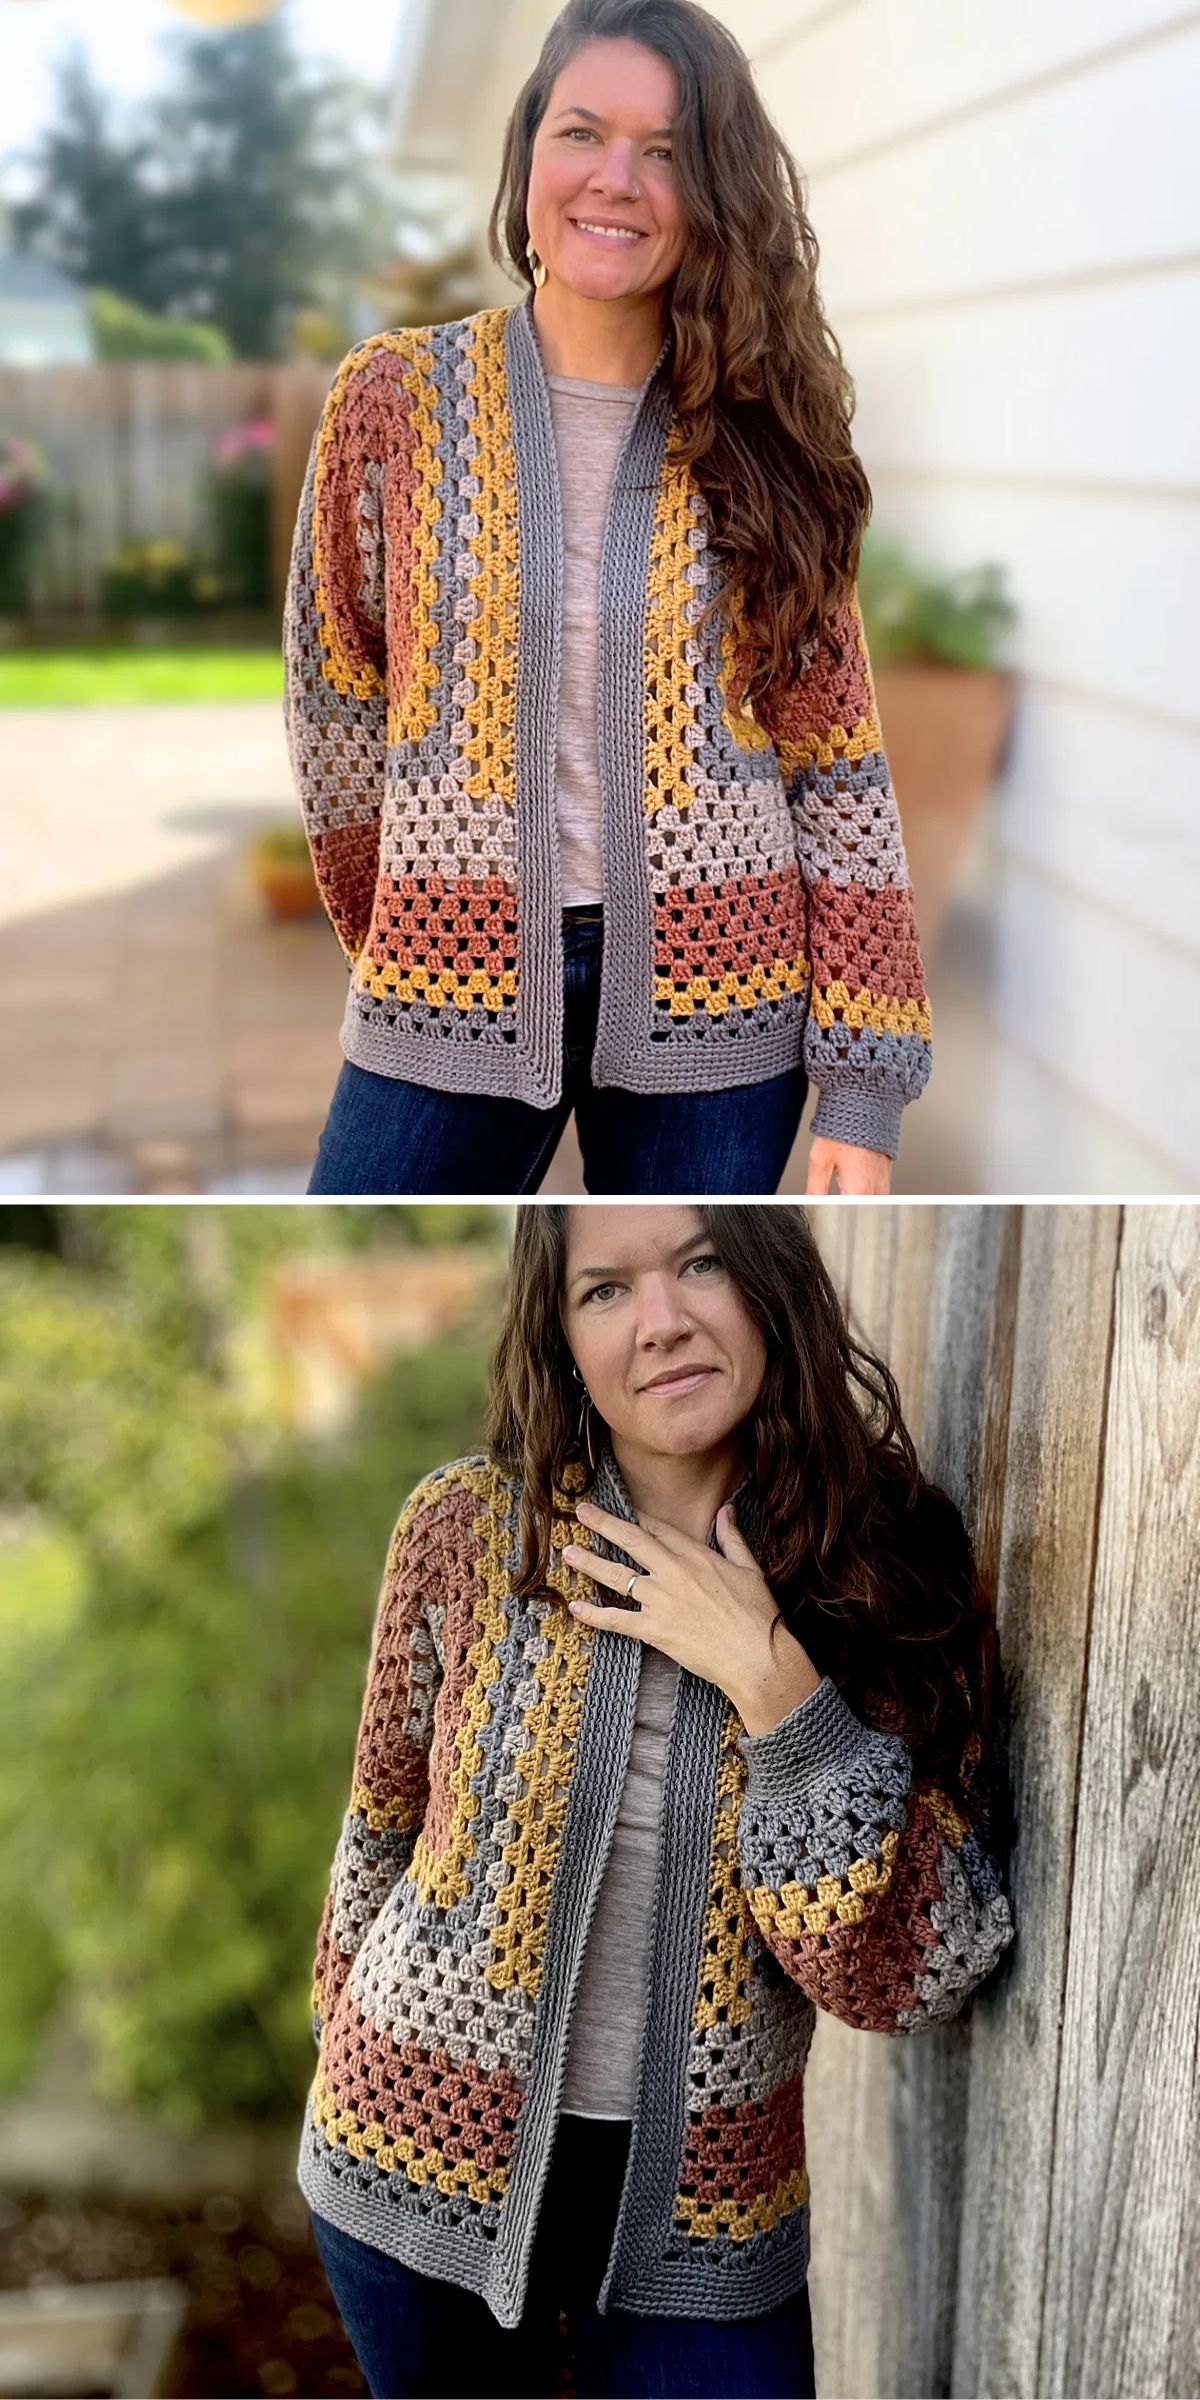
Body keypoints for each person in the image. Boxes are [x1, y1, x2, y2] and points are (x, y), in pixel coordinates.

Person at [300, 1204, 1016, 2399]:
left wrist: (773, 1680)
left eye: (701, 1266)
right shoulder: (468, 1529)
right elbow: (377, 1826)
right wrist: (347, 2065)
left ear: (768, 1282)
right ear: (562, 1334)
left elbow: (912, 1977)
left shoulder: (885, 1565)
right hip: (405, 2172)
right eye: (605, 1291)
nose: (663, 1324)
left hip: (710, 2221)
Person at [284, 0, 932, 1200]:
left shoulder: (764, 434)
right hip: (446, 974)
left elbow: (836, 771)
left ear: (714, 191)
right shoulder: (395, 401)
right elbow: (337, 698)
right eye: (583, 132)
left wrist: (863, 1087)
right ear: (529, 147)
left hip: (724, 997)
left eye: (669, 151)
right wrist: (404, 931)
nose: (617, 180)